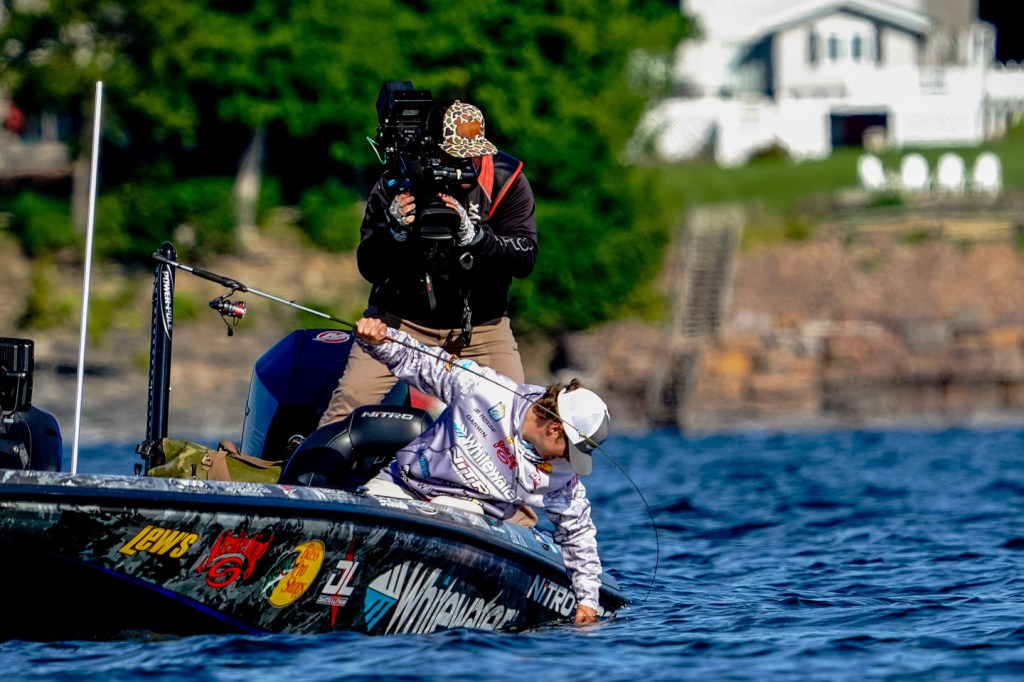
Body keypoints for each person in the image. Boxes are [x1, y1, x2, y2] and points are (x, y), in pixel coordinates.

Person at [352, 316, 610, 625]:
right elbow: (422, 362)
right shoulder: (485, 389)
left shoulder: (562, 476)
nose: (569, 461)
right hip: (403, 484)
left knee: (449, 523)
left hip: (466, 516)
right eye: (571, 450)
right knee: (358, 519)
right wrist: (380, 339)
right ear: (555, 429)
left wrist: (587, 602)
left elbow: (577, 533)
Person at [319, 98, 537, 427]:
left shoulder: (506, 180)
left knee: (513, 415)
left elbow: (525, 257)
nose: (464, 165)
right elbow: (368, 266)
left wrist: (476, 237)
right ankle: (314, 458)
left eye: (473, 155)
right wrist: (394, 233)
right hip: (401, 320)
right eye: (454, 156)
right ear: (433, 148)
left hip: (481, 325)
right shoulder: (398, 181)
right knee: (351, 398)